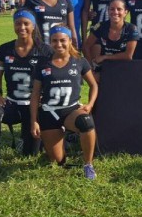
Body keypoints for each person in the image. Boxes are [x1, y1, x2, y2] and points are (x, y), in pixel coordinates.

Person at [0, 9, 53, 179]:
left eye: (26, 23)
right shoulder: (5, 49)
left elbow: (54, 77)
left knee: (31, 154)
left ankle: (27, 139)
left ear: (33, 25)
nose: (22, 27)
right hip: (12, 103)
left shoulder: (45, 50)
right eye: (18, 23)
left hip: (35, 106)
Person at [30, 25, 99, 180]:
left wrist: (90, 104)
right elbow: (35, 95)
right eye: (54, 41)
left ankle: (88, 164)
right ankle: (62, 142)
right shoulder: (43, 63)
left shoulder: (79, 61)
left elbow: (94, 85)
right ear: (50, 42)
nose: (59, 44)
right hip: (49, 112)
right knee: (58, 161)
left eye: (63, 40)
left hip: (71, 110)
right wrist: (34, 121)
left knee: (86, 122)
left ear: (70, 41)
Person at [83, 0, 138, 81]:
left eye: (119, 9)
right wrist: (91, 69)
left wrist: (105, 57)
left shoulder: (131, 28)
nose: (115, 12)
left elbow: (128, 56)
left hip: (123, 68)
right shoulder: (100, 26)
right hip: (104, 69)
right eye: (112, 9)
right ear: (108, 11)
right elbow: (86, 46)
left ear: (125, 12)